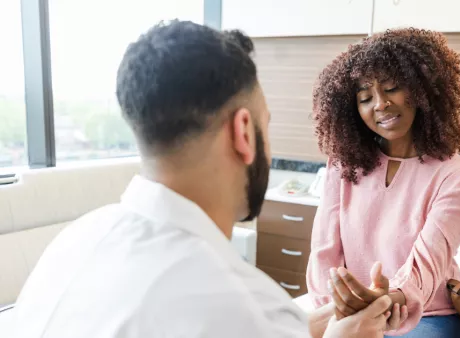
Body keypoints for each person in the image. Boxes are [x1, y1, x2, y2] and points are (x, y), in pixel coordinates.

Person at [10, 21, 403, 338]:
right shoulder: (236, 301)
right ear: (243, 133)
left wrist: (328, 319)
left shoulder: (76, 240)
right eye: (267, 125)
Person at [306, 28, 460, 337]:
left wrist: (387, 299)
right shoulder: (342, 167)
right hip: (345, 310)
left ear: (422, 90)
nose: (380, 104)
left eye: (392, 88)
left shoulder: (455, 176)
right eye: (365, 97)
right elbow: (325, 252)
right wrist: (336, 307)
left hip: (425, 313)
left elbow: (426, 266)